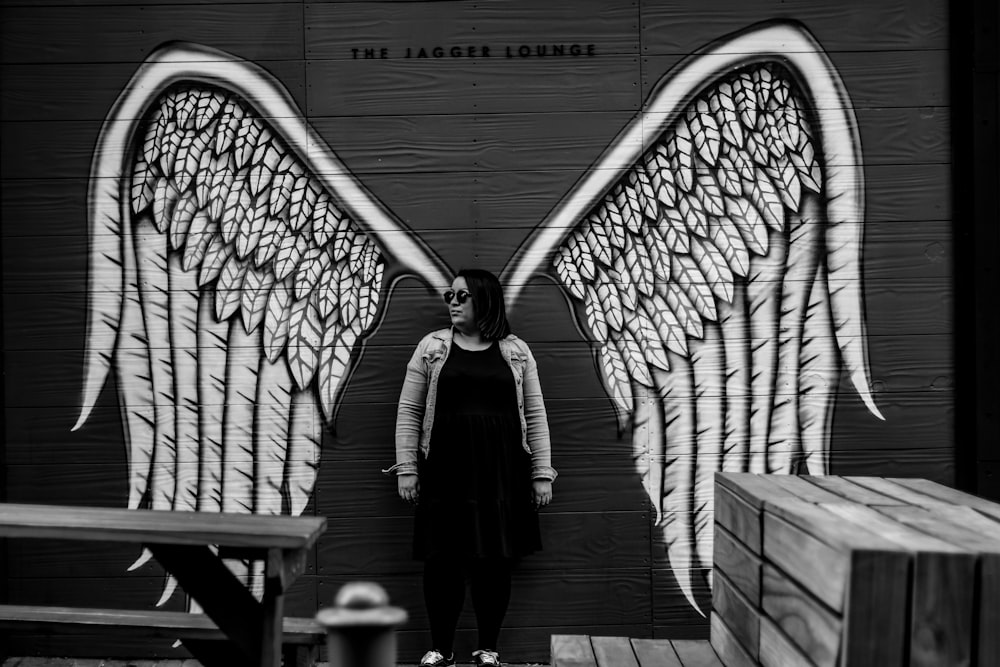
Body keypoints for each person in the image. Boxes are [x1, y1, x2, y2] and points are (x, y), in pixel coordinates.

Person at [388, 268, 557, 667]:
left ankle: (488, 650)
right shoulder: (431, 348)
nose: (452, 301)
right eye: (450, 294)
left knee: (494, 559)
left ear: (484, 300)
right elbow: (409, 410)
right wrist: (407, 468)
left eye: (462, 295)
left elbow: (535, 413)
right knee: (441, 559)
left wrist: (541, 473)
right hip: (445, 467)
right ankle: (440, 649)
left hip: (502, 470)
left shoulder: (516, 351)